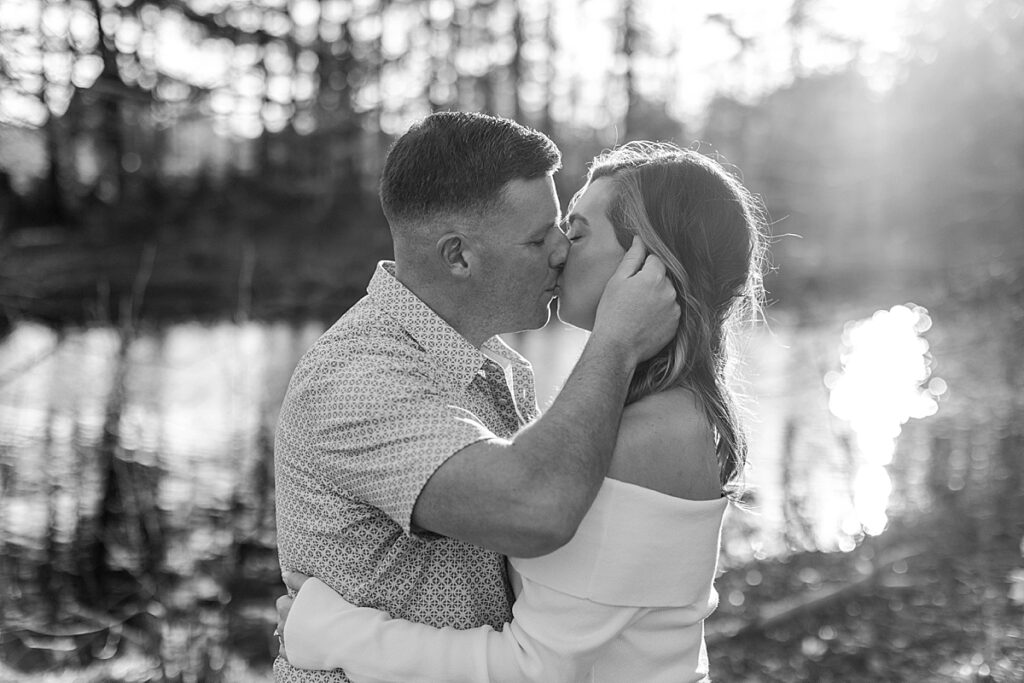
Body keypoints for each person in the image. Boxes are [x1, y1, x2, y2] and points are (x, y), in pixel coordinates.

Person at [274, 141, 767, 682]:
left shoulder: (644, 427)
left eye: (573, 230)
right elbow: (536, 510)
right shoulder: (359, 380)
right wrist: (614, 343)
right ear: (459, 254)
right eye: (547, 235)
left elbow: (536, 666)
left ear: (649, 265)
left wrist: (323, 629)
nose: (560, 250)